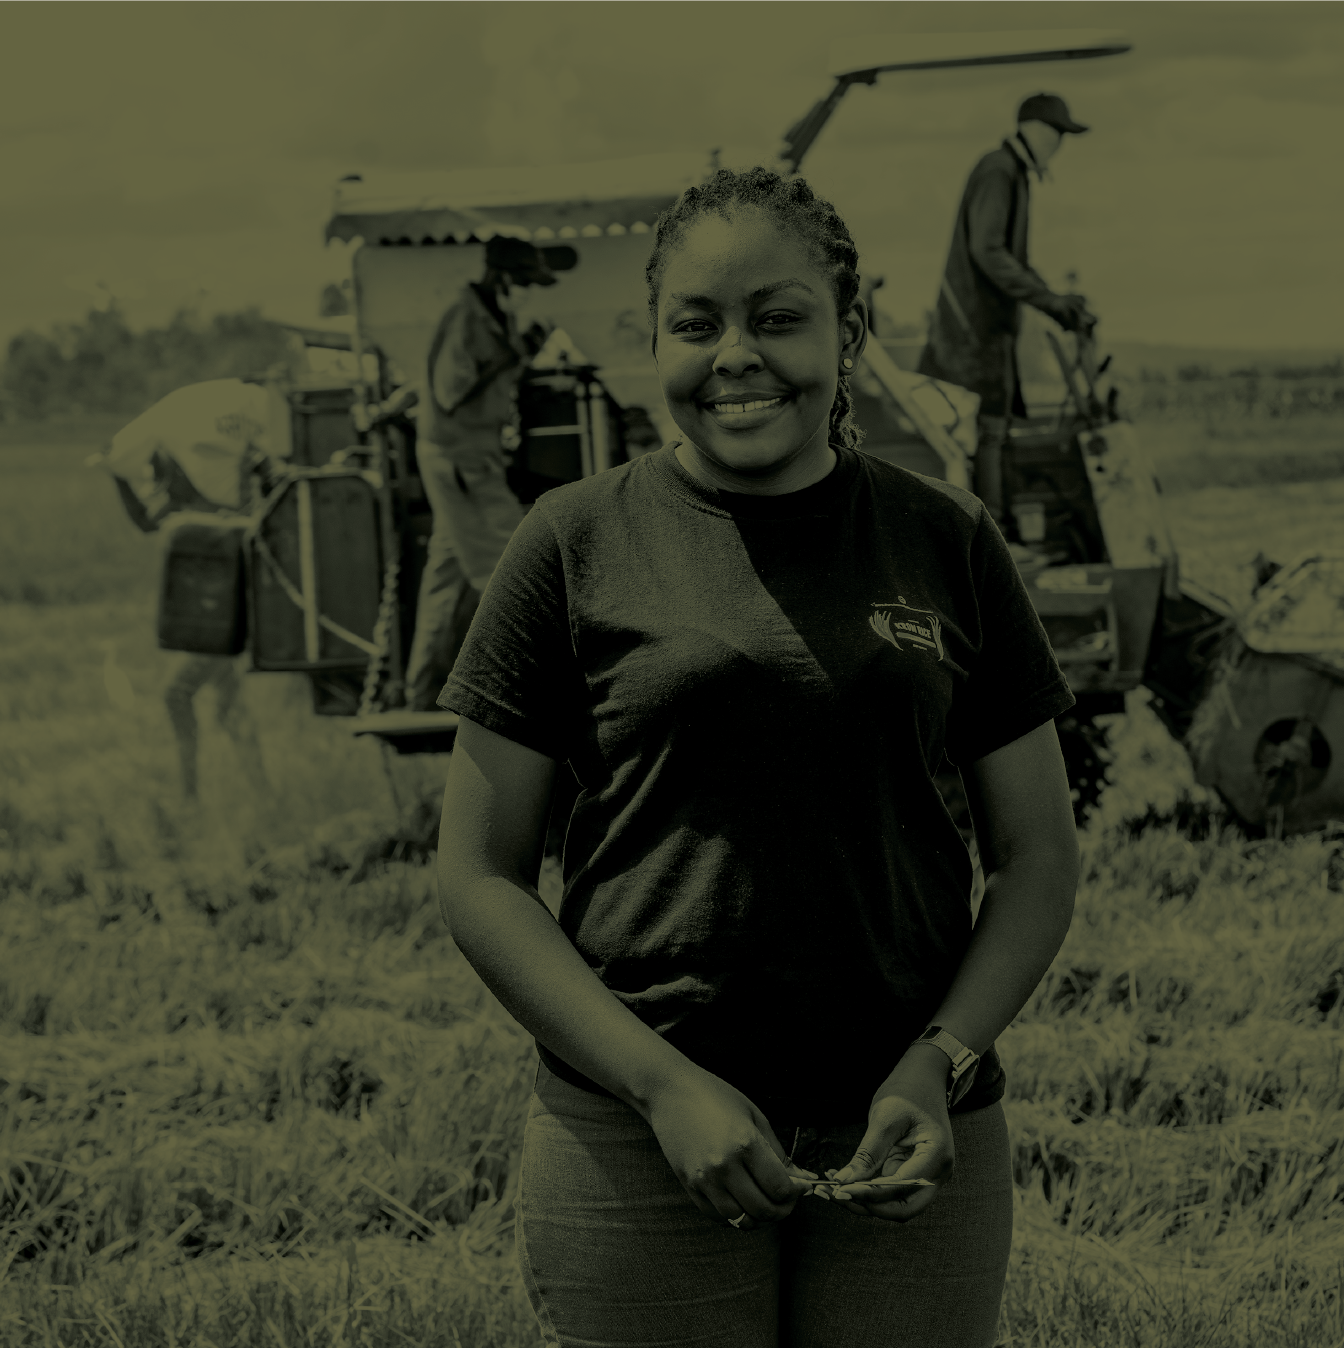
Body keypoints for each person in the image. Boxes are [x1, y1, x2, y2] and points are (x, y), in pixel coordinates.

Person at [435, 167, 1082, 1346]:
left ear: (849, 332)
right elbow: (478, 873)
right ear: (656, 342)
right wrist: (659, 1084)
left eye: (778, 317)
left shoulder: (948, 536)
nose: (737, 354)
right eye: (697, 323)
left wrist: (938, 1063)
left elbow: (1038, 853)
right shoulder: (571, 542)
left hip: (909, 1135)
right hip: (637, 1140)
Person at [90, 378, 291, 801]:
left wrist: (119, 473)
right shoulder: (203, 505)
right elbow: (149, 520)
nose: (156, 476)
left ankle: (190, 795)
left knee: (176, 693)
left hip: (220, 614)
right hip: (218, 614)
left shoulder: (213, 518)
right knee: (229, 706)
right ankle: (262, 794)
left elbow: (148, 517)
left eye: (160, 467)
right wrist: (117, 473)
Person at [403, 234, 571, 712]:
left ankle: (417, 696)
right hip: (461, 459)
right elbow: (452, 390)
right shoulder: (465, 318)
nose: (526, 290)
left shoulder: (497, 315)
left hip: (475, 455)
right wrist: (510, 353)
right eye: (522, 280)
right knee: (509, 566)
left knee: (444, 578)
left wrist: (519, 349)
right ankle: (527, 693)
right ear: (500, 275)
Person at [916, 91, 1099, 520]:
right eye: (1057, 133)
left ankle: (992, 538)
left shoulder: (1011, 172)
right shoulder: (999, 171)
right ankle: (992, 543)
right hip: (972, 336)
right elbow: (989, 251)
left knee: (991, 434)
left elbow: (1013, 261)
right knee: (988, 435)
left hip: (985, 335)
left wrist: (1055, 303)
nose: (1060, 144)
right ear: (1034, 129)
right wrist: (1050, 301)